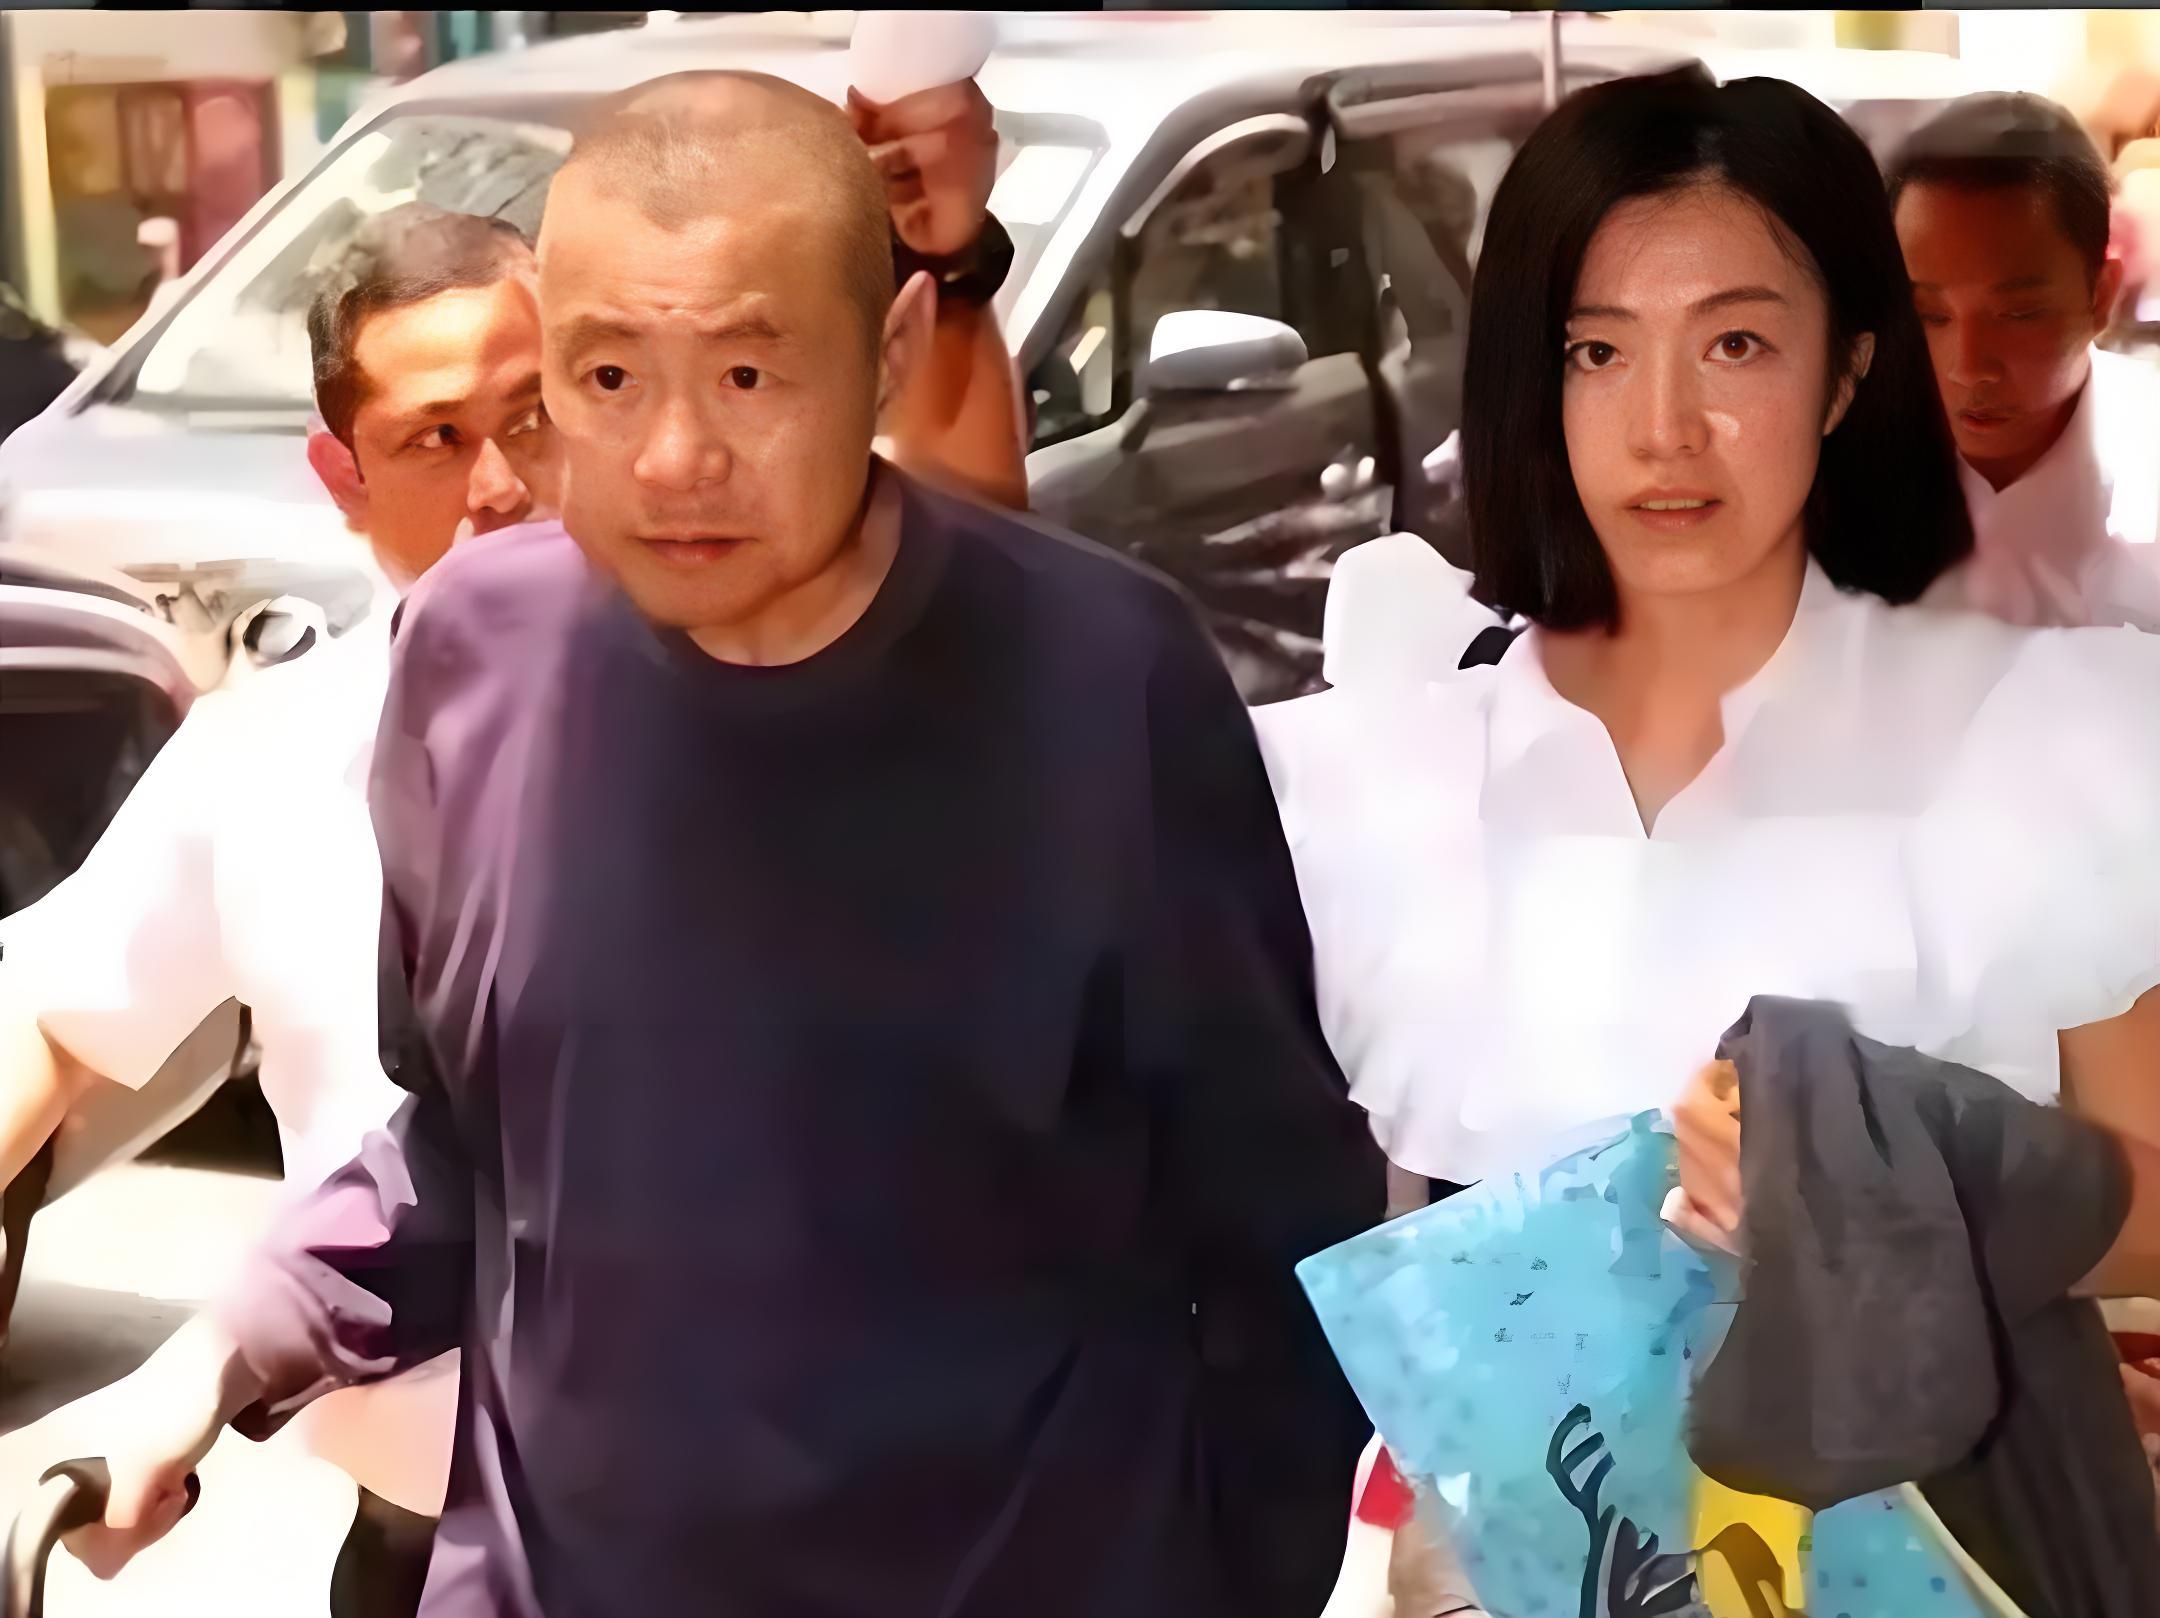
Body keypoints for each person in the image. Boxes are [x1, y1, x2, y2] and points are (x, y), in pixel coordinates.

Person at [71, 72, 1383, 1618]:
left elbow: (1283, 1222)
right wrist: (213, 1356)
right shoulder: (472, 656)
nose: (674, 454)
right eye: (608, 376)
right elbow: (471, 1145)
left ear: (890, 350)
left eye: (750, 372)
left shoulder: (1105, 682)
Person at [1257, 66, 2160, 1616]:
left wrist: (1922, 1176)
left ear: (1846, 369)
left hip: (1935, 1555)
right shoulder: (1375, 776)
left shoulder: (2041, 735)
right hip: (1514, 1566)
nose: (1665, 427)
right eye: (1597, 350)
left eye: (1736, 344)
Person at [0, 200, 558, 1616]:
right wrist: (209, 1363)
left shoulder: (721, 724)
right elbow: (55, 1012)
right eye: (436, 439)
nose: (502, 484)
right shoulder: (281, 749)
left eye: (536, 414)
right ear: (342, 477)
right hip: (413, 1552)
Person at [1887, 92, 2160, 630]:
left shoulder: (2146, 476)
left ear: (2100, 297)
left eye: (2019, 314)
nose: (1968, 368)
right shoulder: (1839, 469)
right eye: (1929, 315)